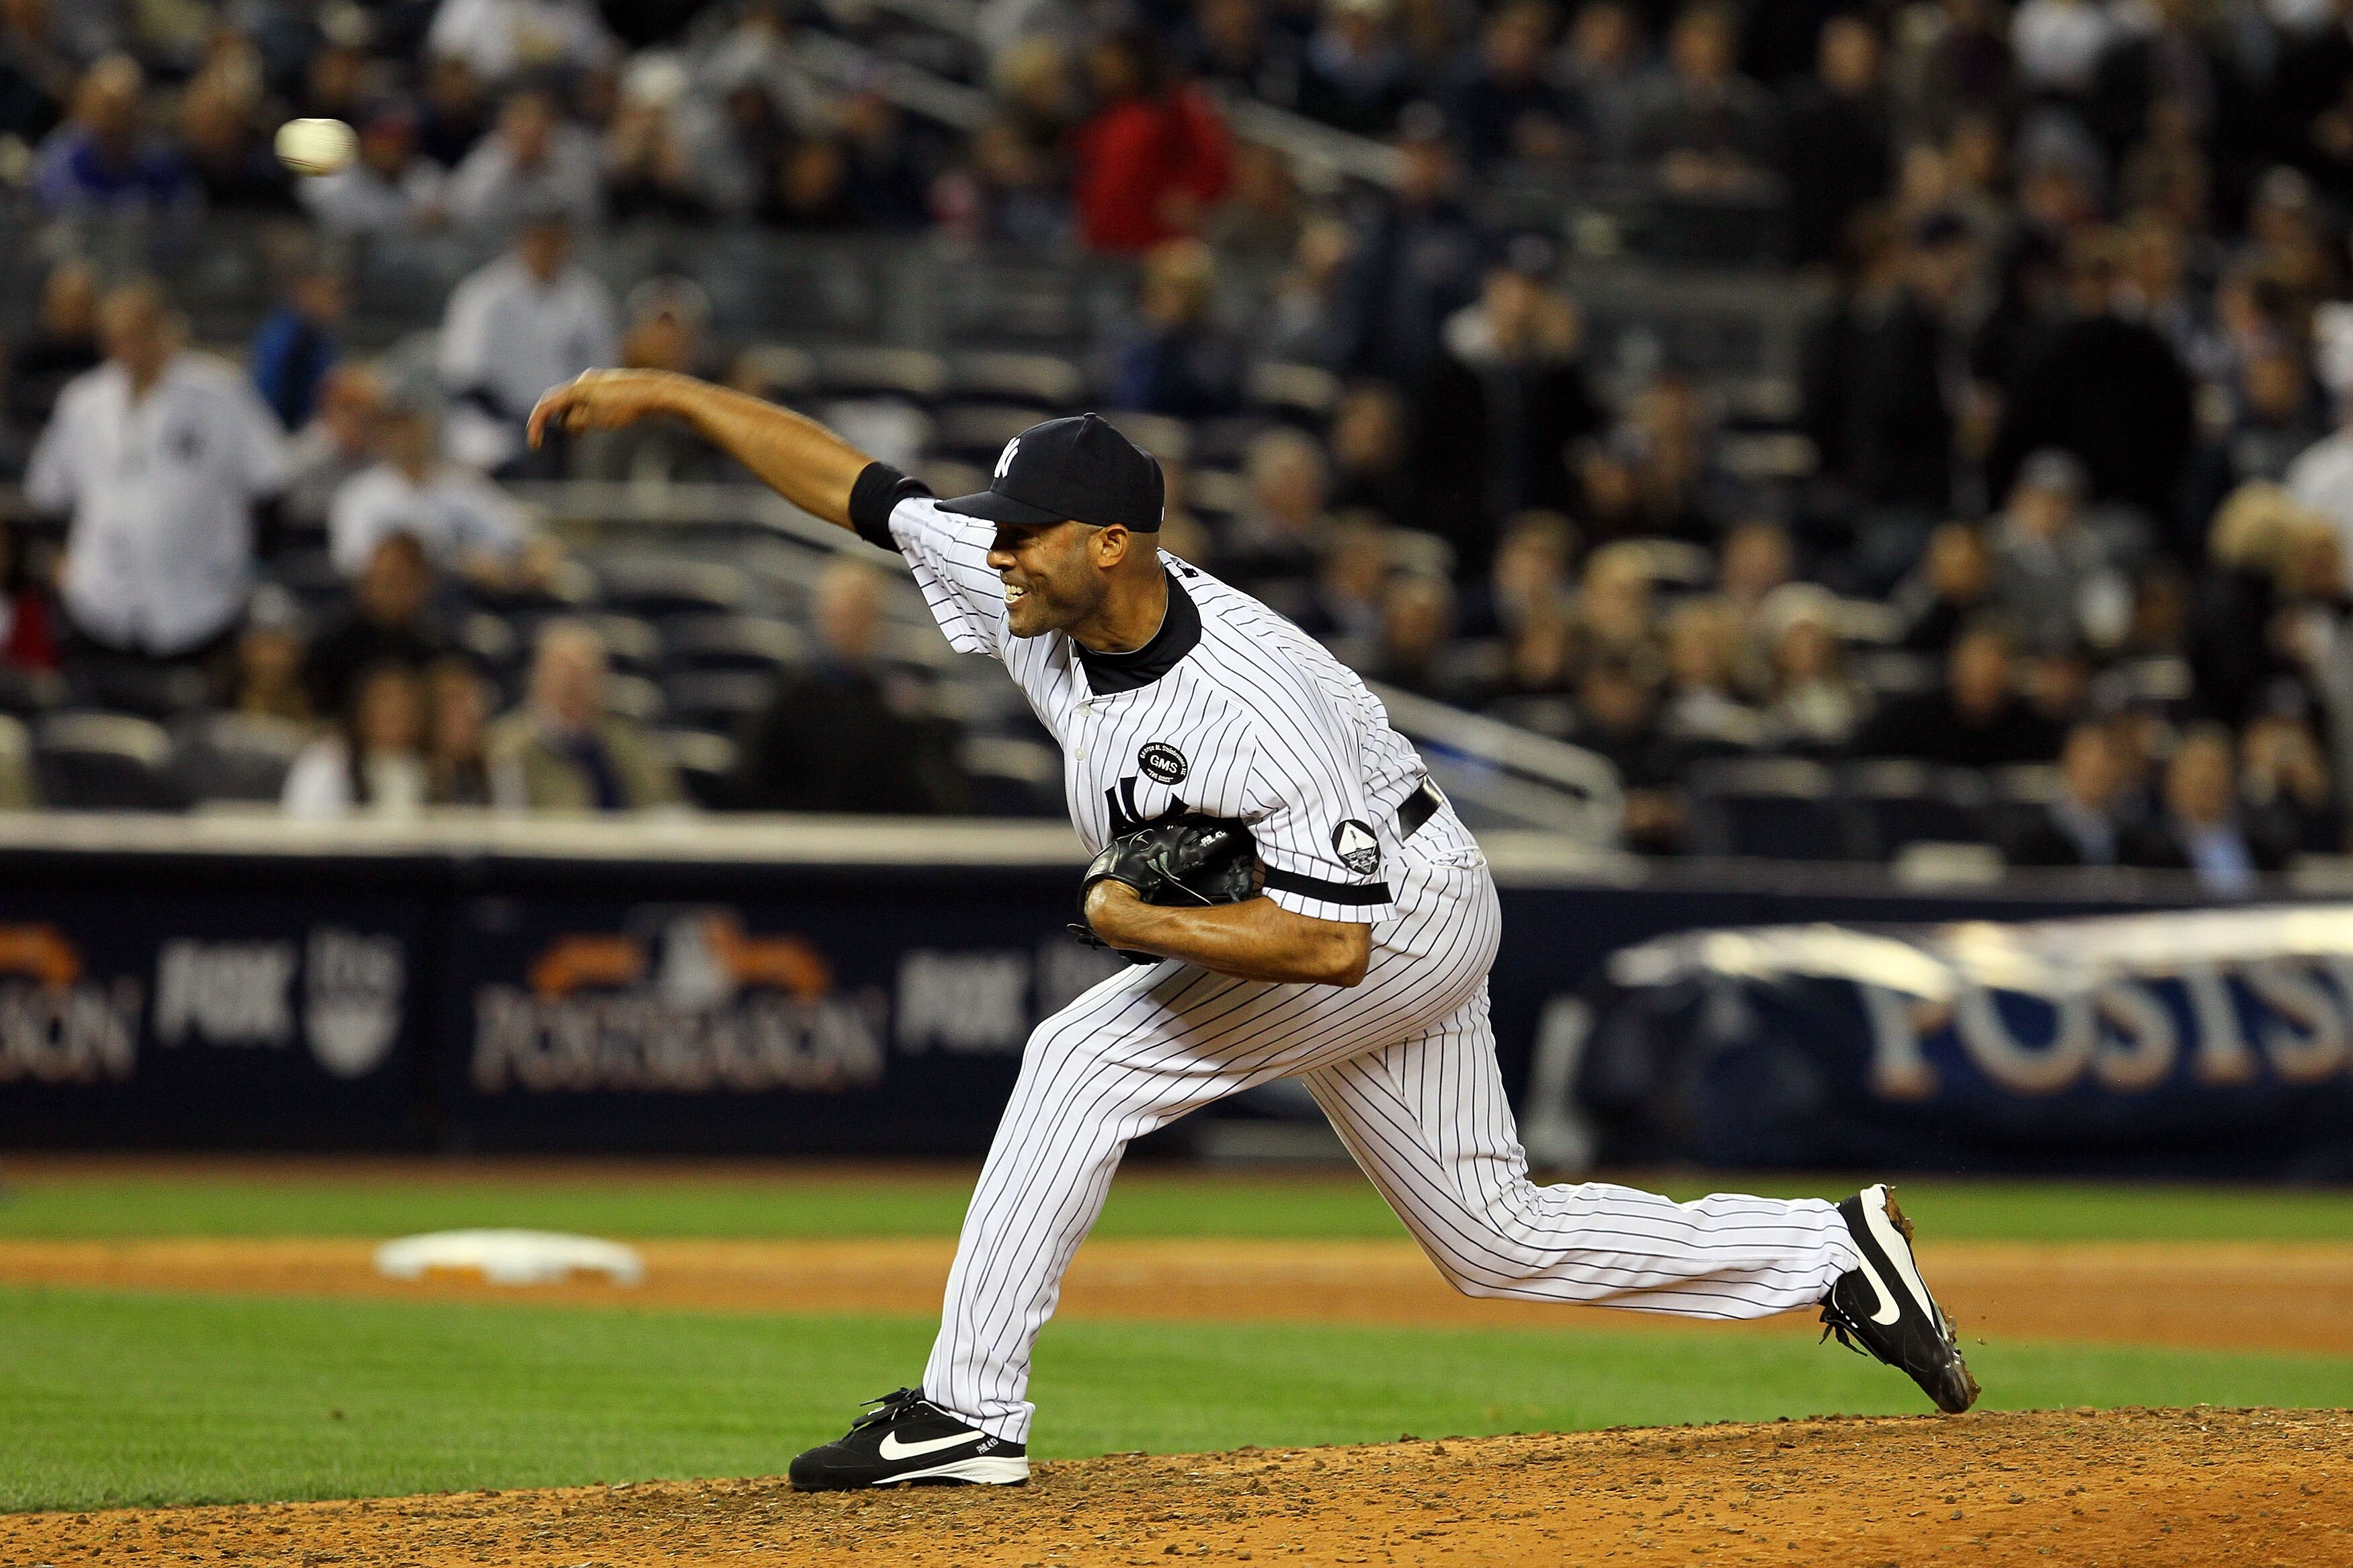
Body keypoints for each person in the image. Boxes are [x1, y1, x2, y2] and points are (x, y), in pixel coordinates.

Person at [528, 366, 1981, 1488]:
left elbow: (1332, 951)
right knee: (1492, 1235)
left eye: (1027, 530)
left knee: (1081, 1058)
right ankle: (1826, 1250)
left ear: (1114, 541)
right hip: (1382, 894)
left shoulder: (1243, 705)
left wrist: (1131, 913)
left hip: (1388, 913)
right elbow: (861, 489)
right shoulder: (1043, 580)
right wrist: (668, 396)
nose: (999, 550)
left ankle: (968, 1411)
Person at [27, 281, 289, 714]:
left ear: (168, 331)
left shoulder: (221, 393)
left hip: (200, 607)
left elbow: (271, 486)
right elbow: (48, 494)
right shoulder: (84, 401)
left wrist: (250, 570)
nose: (130, 345)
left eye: (142, 331)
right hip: (99, 601)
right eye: (118, 334)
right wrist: (60, 561)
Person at [727, 558, 971, 813]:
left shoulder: (902, 712)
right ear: (822, 616)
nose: (851, 624)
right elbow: (754, 786)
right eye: (843, 612)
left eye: (862, 612)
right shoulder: (787, 702)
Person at [438, 202, 619, 474]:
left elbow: (603, 376)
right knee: (487, 451)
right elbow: (465, 378)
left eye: (555, 238)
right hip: (493, 424)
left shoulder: (588, 299)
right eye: (539, 238)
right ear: (521, 240)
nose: (546, 247)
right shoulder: (483, 295)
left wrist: (559, 422)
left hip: (565, 428)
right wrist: (526, 422)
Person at [327, 378, 530, 588]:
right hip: (398, 600)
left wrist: (524, 559)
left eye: (414, 426)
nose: (406, 437)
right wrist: (454, 566)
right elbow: (353, 563)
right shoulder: (360, 494)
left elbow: (517, 539)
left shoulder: (465, 485)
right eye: (398, 428)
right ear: (383, 433)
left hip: (470, 599)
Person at [487, 619, 682, 811]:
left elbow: (664, 807)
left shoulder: (626, 742)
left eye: (585, 674)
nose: (575, 684)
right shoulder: (509, 746)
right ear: (539, 679)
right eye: (564, 674)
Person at [1072, 30, 1233, 253]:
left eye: (1111, 61)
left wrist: (1195, 193)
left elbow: (1212, 156)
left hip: (1154, 243)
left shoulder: (1171, 103)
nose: (1103, 70)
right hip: (1102, 243)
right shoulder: (1101, 113)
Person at [1858, 621, 2063, 768]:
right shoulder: (1907, 718)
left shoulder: (2034, 732)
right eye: (1977, 665)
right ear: (1956, 665)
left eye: (1996, 667)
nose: (1985, 677)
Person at [2120, 725, 2288, 893]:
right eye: (2196, 767)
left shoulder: (2263, 843)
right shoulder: (2149, 849)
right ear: (2173, 780)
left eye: (2215, 767)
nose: (2206, 778)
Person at [303, 532, 448, 719]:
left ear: (422, 586)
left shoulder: (435, 649)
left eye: (402, 582)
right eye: (386, 579)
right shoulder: (331, 644)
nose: (392, 591)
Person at [282, 660, 430, 818]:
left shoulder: (419, 768)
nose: (396, 712)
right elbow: (303, 829)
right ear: (361, 707)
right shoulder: (328, 761)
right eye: (385, 699)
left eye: (405, 703)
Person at [2005, 719, 2129, 866]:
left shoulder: (2130, 834)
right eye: (2086, 760)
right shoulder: (2034, 837)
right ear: (2066, 762)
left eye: (2104, 760)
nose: (2096, 769)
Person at [249, 263, 346, 433]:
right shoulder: (283, 335)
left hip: (309, 429)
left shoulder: (322, 338)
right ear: (304, 292)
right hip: (278, 431)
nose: (334, 304)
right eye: (326, 294)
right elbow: (268, 394)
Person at [424, 655, 494, 807]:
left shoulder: (498, 771)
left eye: (470, 702)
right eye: (453, 705)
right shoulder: (413, 775)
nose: (467, 714)